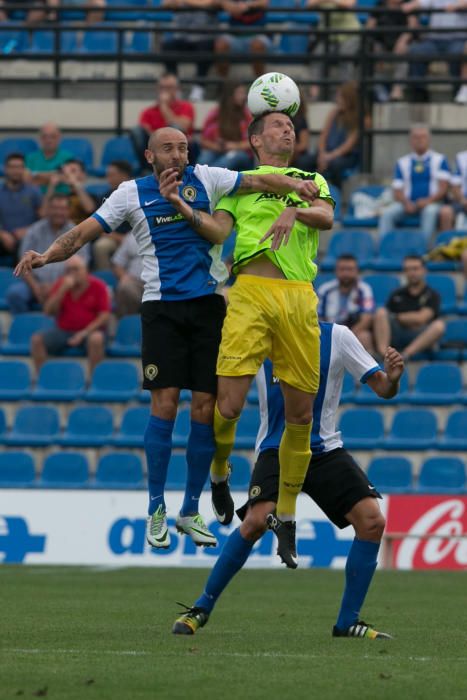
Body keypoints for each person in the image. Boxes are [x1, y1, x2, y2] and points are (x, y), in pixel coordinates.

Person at [15, 126, 321, 553]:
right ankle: (156, 507)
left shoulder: (208, 178)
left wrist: (294, 183)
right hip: (161, 308)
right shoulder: (130, 193)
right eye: (168, 149)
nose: (177, 154)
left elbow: (257, 180)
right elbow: (84, 233)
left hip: (208, 307)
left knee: (205, 407)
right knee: (164, 403)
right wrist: (47, 255)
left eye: (182, 147)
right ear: (150, 156)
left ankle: (190, 509)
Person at [160, 111, 334, 568]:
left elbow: (326, 218)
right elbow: (218, 230)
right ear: (255, 140)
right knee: (229, 405)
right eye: (277, 125)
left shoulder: (311, 178)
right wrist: (182, 205)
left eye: (290, 125)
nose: (288, 130)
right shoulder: (241, 183)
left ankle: (289, 518)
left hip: (298, 298)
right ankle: (220, 472)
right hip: (250, 295)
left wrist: (295, 210)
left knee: (300, 417)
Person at [171, 323, 404, 638]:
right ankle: (201, 607)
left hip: (323, 450)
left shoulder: (338, 337)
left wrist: (393, 379)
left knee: (372, 522)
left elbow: (383, 388)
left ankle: (347, 621)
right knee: (254, 522)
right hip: (275, 449)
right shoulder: (258, 337)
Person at [7, 194, 88, 314]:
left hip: (66, 286)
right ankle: (24, 327)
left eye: (62, 209)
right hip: (36, 285)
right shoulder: (34, 230)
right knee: (15, 294)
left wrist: (57, 287)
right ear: (48, 209)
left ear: (69, 211)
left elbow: (81, 266)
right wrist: (36, 288)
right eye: (55, 208)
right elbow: (23, 263)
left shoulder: (77, 232)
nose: (58, 212)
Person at [30, 255, 110, 374]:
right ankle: (43, 379)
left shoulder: (98, 286)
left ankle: (94, 381)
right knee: (37, 340)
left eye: (76, 269)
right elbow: (48, 312)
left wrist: (84, 333)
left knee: (96, 339)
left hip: (89, 331)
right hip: (64, 331)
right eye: (69, 270)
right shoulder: (61, 284)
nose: (72, 273)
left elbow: (104, 316)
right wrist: (62, 290)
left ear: (85, 270)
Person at [377, 124, 451, 244]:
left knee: (430, 212)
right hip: (407, 204)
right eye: (416, 137)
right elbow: (397, 190)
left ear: (429, 139)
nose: (419, 140)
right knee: (387, 214)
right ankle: (385, 247)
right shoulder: (402, 162)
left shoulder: (440, 160)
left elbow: (444, 188)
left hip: (432, 204)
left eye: (423, 137)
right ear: (411, 140)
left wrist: (427, 201)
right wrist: (406, 203)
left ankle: (423, 248)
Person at [373, 255, 445, 361]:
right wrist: (406, 318)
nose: (412, 273)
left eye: (415, 268)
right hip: (396, 333)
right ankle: (385, 355)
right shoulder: (397, 294)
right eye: (408, 269)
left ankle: (405, 355)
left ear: (424, 270)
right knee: (380, 312)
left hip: (419, 337)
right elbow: (384, 319)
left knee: (439, 326)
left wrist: (398, 317)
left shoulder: (432, 295)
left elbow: (421, 319)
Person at [403, 0, 467, 102]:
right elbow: (420, 3)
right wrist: (410, 5)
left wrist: (458, 5)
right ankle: (419, 93)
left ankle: (458, 91)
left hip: (458, 39)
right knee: (416, 51)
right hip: (434, 40)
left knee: (458, 54)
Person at [160, 0, 218, 101]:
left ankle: (199, 87)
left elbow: (214, 3)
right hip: (181, 36)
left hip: (203, 36)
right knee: (168, 46)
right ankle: (175, 87)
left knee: (206, 48)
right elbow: (166, 4)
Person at [307, 82, 360, 187]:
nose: (338, 100)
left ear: (349, 99)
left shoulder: (360, 118)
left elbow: (348, 146)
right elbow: (323, 136)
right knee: (305, 161)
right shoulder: (334, 113)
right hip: (327, 153)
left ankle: (336, 194)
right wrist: (322, 154)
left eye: (341, 97)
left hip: (345, 156)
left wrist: (329, 157)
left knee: (335, 165)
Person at [318, 254, 375, 353]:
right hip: (329, 332)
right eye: (342, 269)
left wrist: (346, 337)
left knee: (365, 336)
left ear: (357, 271)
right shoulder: (325, 290)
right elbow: (318, 318)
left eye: (350, 269)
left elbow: (367, 318)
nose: (346, 273)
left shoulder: (364, 289)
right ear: (336, 271)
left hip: (354, 332)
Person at [307, 0, 361, 101]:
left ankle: (344, 96)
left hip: (349, 34)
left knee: (345, 57)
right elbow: (309, 4)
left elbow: (349, 4)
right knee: (317, 56)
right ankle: (314, 93)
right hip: (328, 36)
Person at [366, 0, 418, 102]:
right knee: (369, 52)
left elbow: (413, 25)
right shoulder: (379, 5)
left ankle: (397, 90)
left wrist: (403, 40)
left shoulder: (408, 4)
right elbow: (369, 27)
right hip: (382, 42)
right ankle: (379, 92)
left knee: (404, 52)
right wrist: (373, 45)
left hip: (402, 43)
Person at [198, 83, 254, 171]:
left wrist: (234, 146)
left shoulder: (247, 115)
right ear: (230, 95)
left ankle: (211, 180)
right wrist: (217, 147)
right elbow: (204, 140)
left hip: (241, 152)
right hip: (218, 149)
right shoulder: (216, 114)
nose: (244, 96)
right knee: (203, 160)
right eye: (240, 93)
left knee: (224, 162)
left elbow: (253, 141)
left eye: (244, 93)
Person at [0, 153, 42, 261]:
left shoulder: (34, 191)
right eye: (12, 167)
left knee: (28, 245)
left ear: (24, 169)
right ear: (5, 169)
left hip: (29, 237)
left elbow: (43, 218)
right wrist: (2, 234)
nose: (15, 171)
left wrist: (28, 230)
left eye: (19, 167)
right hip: (4, 237)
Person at [214, 0, 271, 79]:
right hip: (235, 35)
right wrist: (228, 4)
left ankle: (260, 84)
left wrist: (248, 5)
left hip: (257, 34)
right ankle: (222, 83)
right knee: (221, 44)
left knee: (258, 45)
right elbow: (218, 2)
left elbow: (264, 3)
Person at [92, 160, 133, 269]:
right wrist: (120, 238)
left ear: (125, 176)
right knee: (100, 246)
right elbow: (98, 226)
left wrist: (129, 239)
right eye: (108, 176)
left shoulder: (138, 193)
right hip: (114, 238)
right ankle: (107, 281)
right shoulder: (105, 197)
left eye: (112, 175)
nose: (109, 179)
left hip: (137, 237)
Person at [43, 159, 96, 224]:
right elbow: (43, 213)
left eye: (73, 171)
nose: (67, 174)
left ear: (83, 175)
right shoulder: (62, 196)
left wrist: (75, 183)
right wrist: (52, 185)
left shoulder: (92, 195)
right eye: (65, 172)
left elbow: (89, 209)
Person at [25, 123, 74, 193]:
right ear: (40, 139)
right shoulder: (30, 158)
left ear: (59, 138)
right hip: (36, 199)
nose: (48, 140)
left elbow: (68, 179)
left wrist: (36, 175)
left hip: (62, 199)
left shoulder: (68, 157)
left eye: (53, 137)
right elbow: (26, 179)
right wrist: (55, 176)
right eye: (44, 137)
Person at [111, 233, 144, 317]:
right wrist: (123, 276)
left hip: (161, 280)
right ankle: (128, 323)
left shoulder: (168, 233)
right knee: (125, 287)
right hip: (136, 282)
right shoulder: (131, 237)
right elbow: (117, 264)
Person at [439, 149, 467, 230]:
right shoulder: (461, 157)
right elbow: (454, 185)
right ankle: (447, 242)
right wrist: (463, 201)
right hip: (463, 201)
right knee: (445, 212)